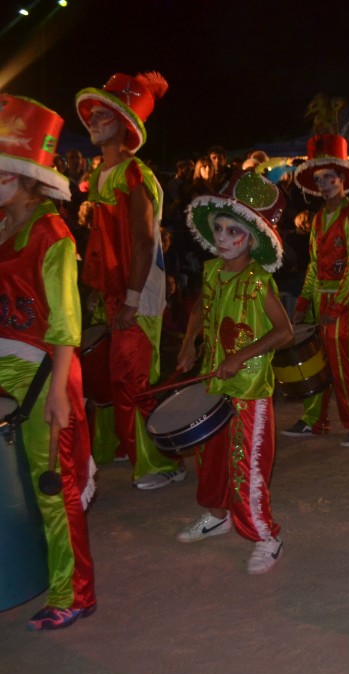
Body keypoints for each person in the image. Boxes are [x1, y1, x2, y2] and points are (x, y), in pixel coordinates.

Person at [0, 95, 97, 630]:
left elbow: (66, 328)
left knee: (52, 489)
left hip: (43, 378)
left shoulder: (51, 236)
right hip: (7, 370)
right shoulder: (2, 227)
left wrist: (59, 393)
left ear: (24, 177)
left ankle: (74, 593)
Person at [176, 171, 293, 574]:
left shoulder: (260, 282)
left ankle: (266, 536)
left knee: (247, 466)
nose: (223, 238)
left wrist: (242, 356)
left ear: (252, 238)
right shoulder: (211, 271)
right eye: (219, 229)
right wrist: (189, 343)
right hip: (213, 383)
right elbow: (198, 310)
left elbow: (285, 332)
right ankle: (217, 515)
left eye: (233, 231)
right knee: (209, 459)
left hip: (249, 389)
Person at [74, 72, 185, 490]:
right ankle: (124, 445)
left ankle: (151, 463)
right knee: (114, 375)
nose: (94, 122)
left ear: (123, 124)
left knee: (132, 379)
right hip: (115, 293)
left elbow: (141, 242)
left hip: (137, 295)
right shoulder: (103, 175)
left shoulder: (134, 174)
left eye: (103, 116)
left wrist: (133, 299)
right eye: (93, 116)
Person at [282, 134, 349, 446]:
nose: (323, 184)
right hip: (320, 299)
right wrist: (303, 302)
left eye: (329, 178)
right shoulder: (319, 218)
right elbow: (313, 264)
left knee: (342, 364)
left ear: (343, 179)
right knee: (316, 362)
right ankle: (314, 419)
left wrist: (337, 307)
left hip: (343, 303)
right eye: (319, 179)